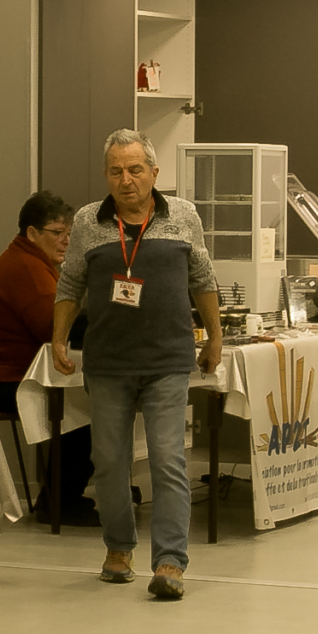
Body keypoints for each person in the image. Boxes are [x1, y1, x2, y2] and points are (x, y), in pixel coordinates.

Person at [48, 130, 220, 601]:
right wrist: (58, 338)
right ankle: (119, 548)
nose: (126, 180)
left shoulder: (182, 215)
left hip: (168, 361)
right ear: (107, 175)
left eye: (135, 169)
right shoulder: (89, 221)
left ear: (154, 173)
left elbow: (203, 278)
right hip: (109, 363)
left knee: (168, 460)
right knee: (109, 464)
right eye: (116, 171)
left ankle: (170, 561)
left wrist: (215, 336)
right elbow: (71, 284)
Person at [0, 190, 99, 525]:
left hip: (8, 374)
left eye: (69, 233)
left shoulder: (32, 262)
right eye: (57, 232)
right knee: (81, 406)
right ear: (32, 233)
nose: (66, 240)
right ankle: (59, 503)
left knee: (80, 402)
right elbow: (51, 325)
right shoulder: (26, 267)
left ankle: (59, 498)